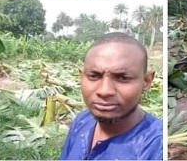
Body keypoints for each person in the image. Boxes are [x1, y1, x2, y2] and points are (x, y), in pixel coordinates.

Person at [60, 32, 163, 160]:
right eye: (94, 76)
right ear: (81, 77)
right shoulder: (82, 121)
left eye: (123, 78)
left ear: (146, 82)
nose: (105, 91)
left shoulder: (156, 147)